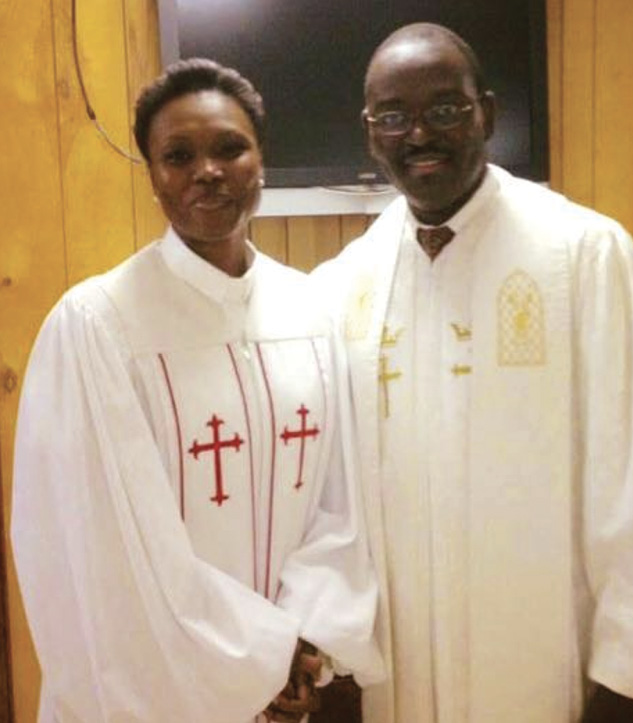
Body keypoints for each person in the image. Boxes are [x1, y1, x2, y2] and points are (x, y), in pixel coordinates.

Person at [310, 22, 633, 723]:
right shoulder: (343, 286)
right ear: (369, 131)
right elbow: (327, 500)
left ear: (489, 114)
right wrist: (334, 660)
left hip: (547, 674)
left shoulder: (587, 259)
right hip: (392, 682)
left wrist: (631, 683)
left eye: (446, 109)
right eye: (394, 116)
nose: (420, 134)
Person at [10, 58, 384, 723]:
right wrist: (261, 660)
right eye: (177, 155)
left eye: (229, 148)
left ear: (260, 158)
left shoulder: (311, 313)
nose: (206, 171)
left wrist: (305, 640)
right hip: (158, 694)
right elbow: (113, 555)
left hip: (290, 686)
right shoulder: (98, 325)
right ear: (152, 175)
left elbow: (340, 503)